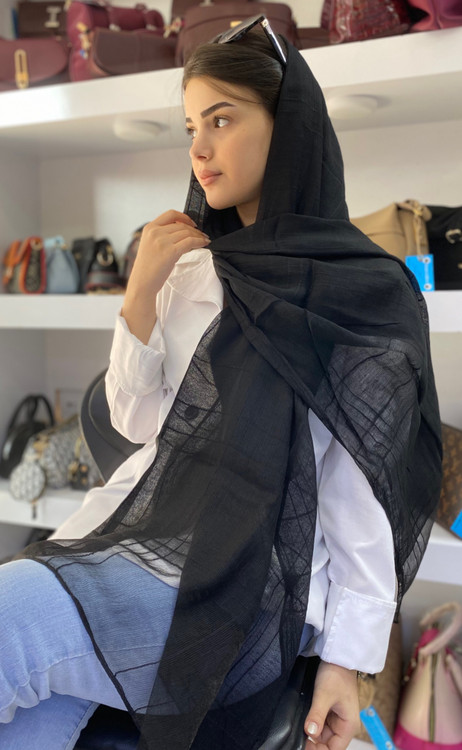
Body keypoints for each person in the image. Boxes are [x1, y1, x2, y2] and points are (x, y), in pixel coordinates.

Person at [0, 17, 442, 750]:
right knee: (27, 719)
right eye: (190, 127)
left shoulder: (362, 290)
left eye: (223, 119)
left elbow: (360, 492)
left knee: (8, 617)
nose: (199, 148)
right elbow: (137, 427)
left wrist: (347, 661)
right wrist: (139, 296)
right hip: (146, 535)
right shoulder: (193, 269)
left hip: (253, 579)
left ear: (287, 126)